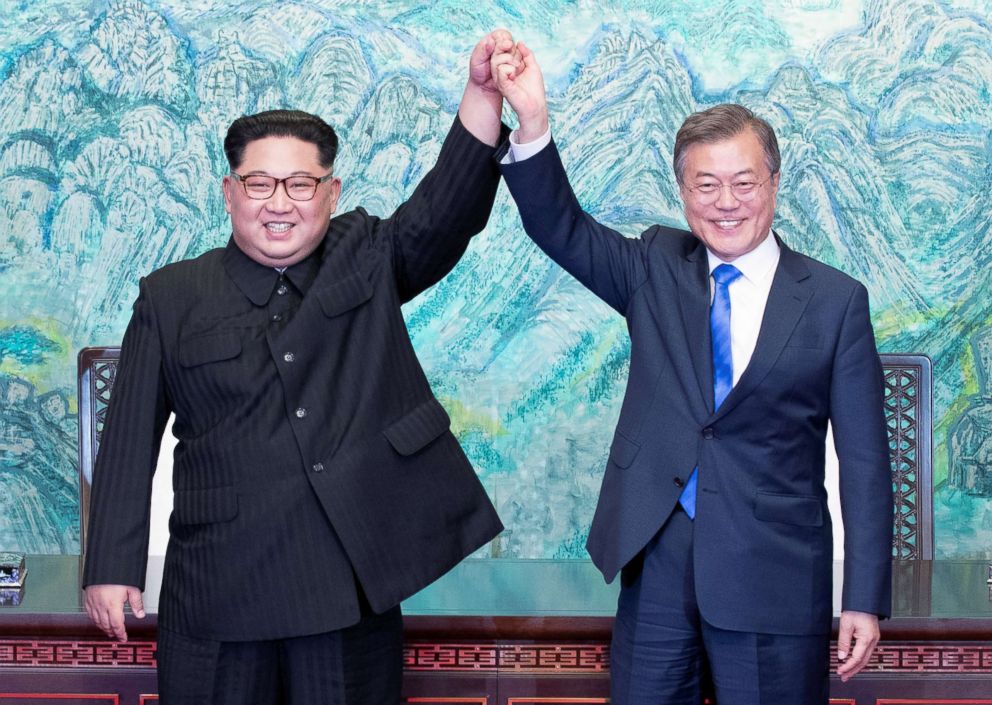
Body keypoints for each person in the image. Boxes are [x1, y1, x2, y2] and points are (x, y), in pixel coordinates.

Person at [82, 30, 515, 705]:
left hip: (344, 589)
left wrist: (483, 93)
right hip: (216, 592)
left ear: (331, 191)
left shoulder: (366, 255)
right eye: (258, 183)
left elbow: (444, 212)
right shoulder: (170, 296)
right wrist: (110, 567)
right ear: (229, 192)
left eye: (300, 183)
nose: (278, 202)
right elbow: (127, 441)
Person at [491, 42, 893, 704]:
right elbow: (557, 225)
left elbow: (866, 461)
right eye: (705, 184)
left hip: (776, 577)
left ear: (773, 183)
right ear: (682, 191)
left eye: (744, 182)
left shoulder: (834, 301)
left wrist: (864, 598)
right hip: (658, 563)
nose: (726, 201)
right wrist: (532, 120)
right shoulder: (655, 267)